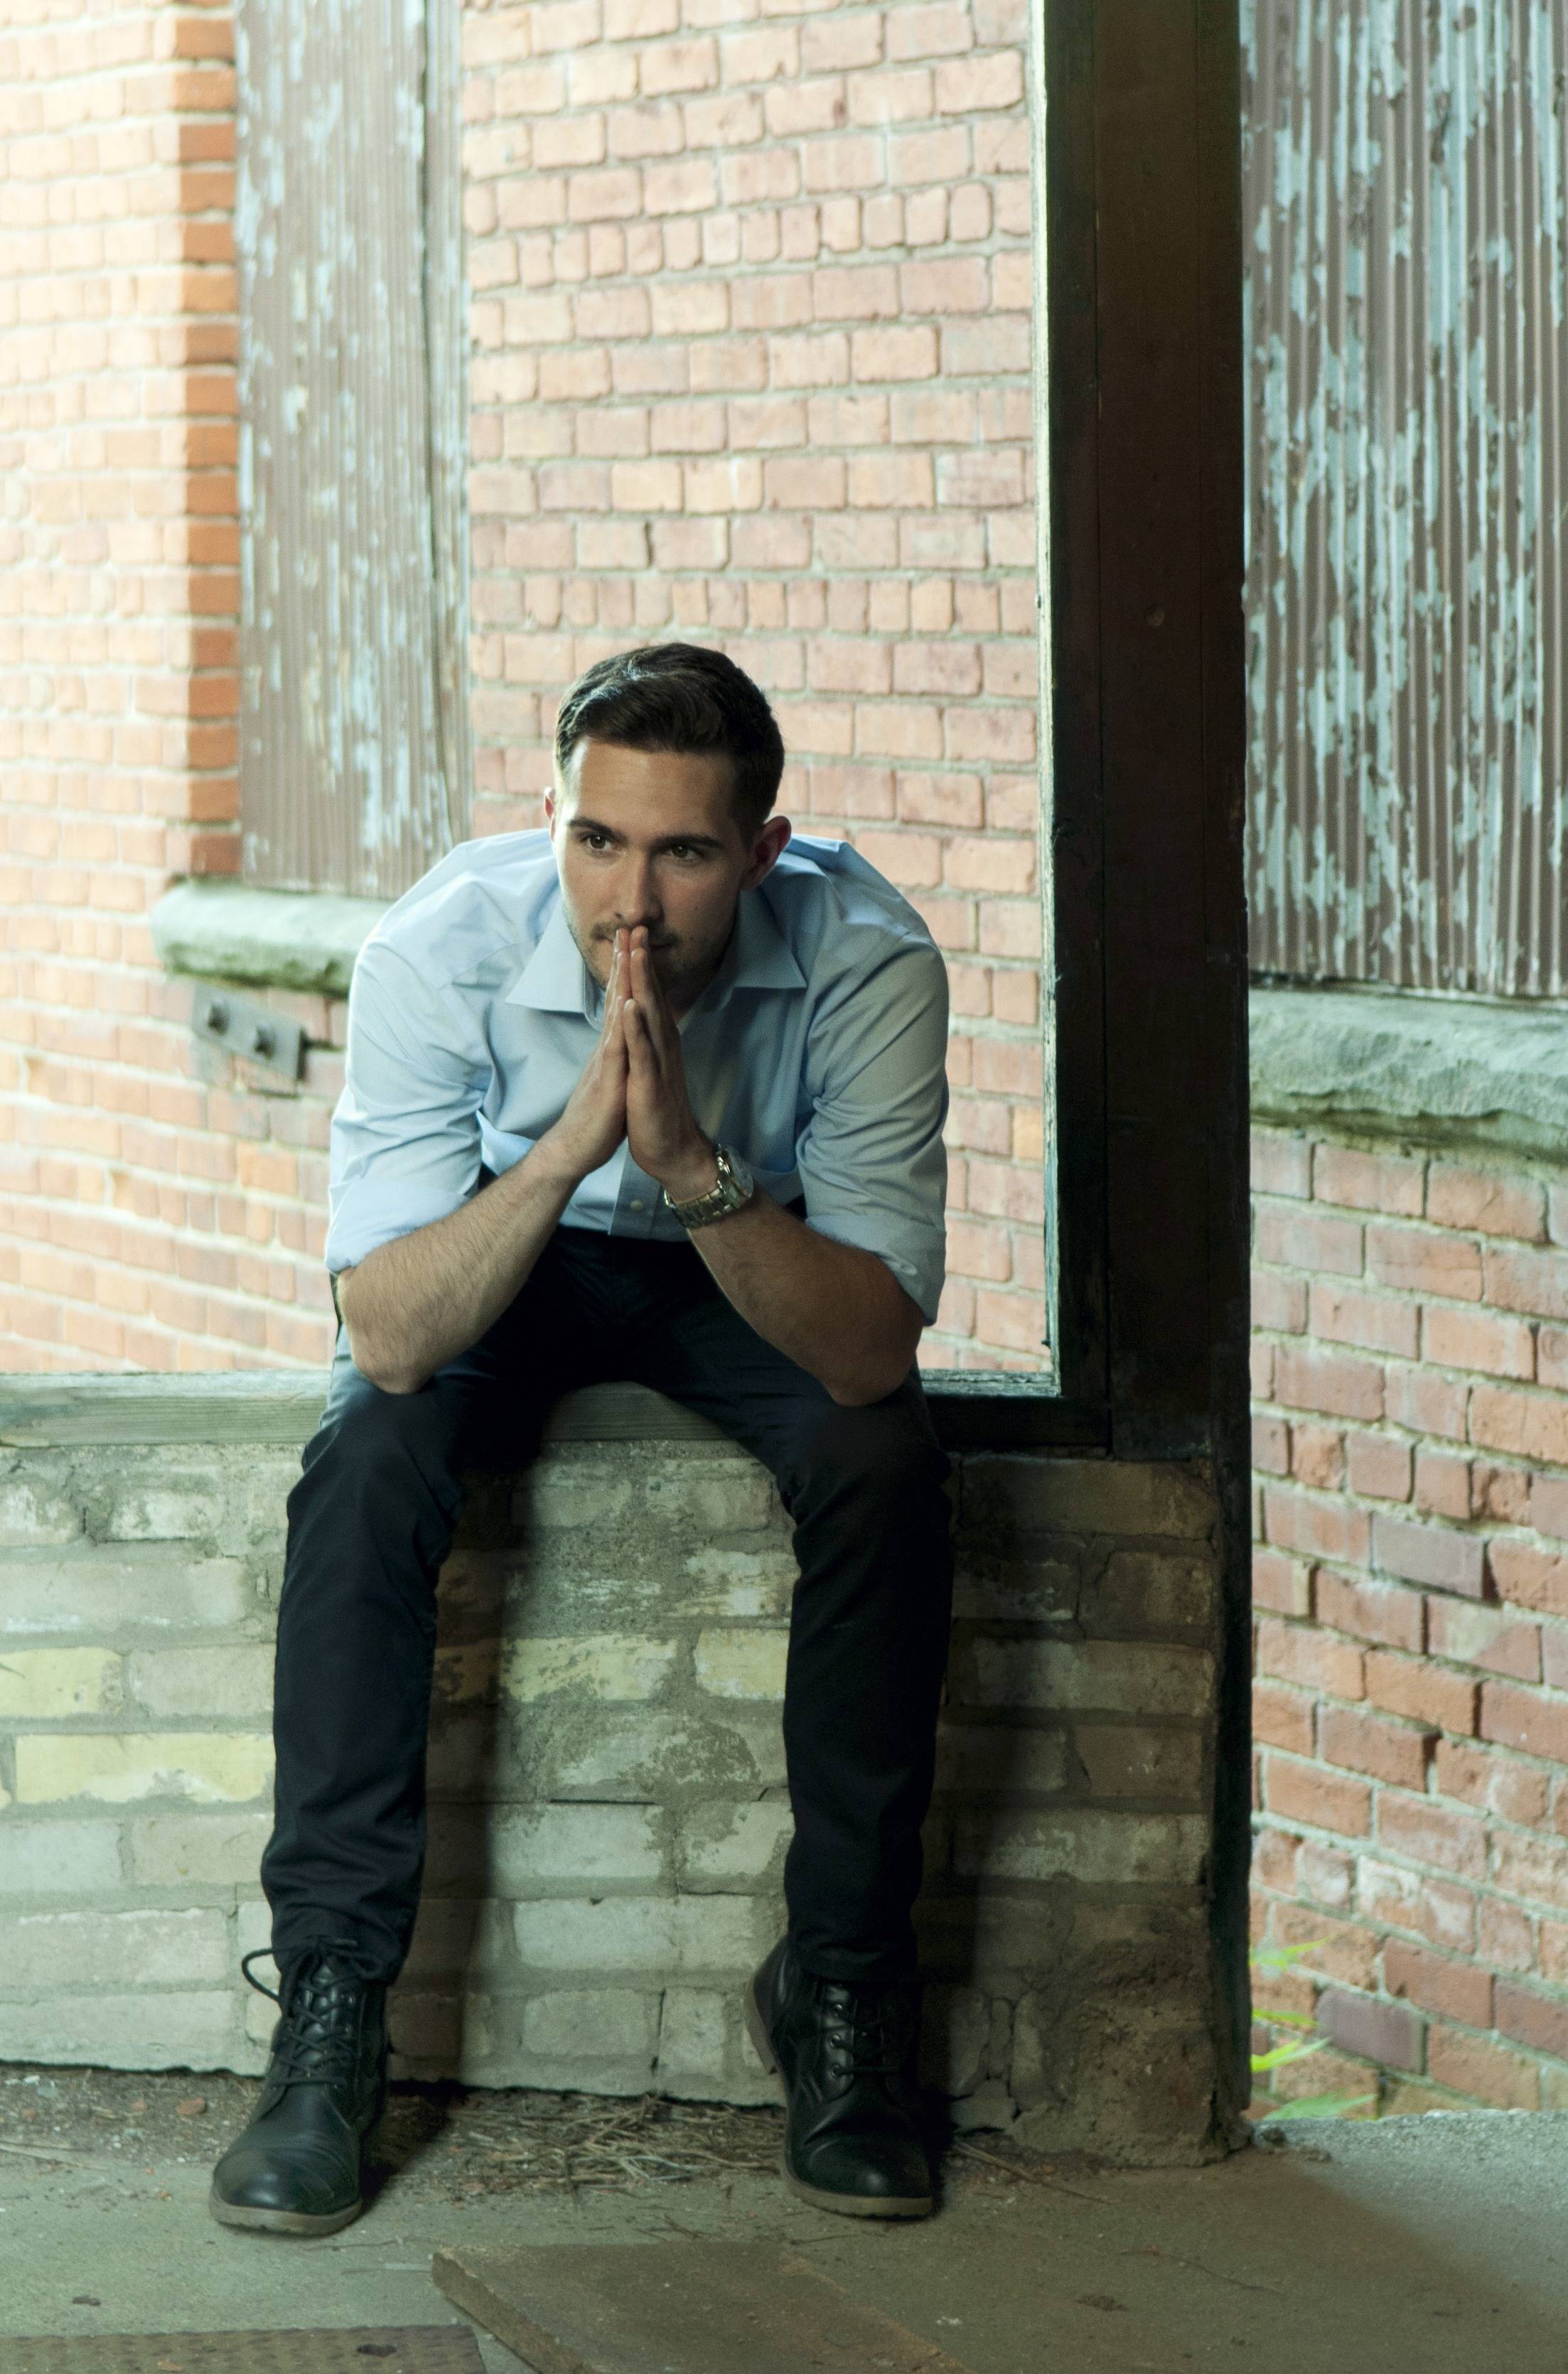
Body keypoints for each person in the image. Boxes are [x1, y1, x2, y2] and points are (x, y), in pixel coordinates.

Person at [209, 643, 955, 2237]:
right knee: (367, 1456)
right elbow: (393, 1330)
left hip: (738, 1249)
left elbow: (874, 1345)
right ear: (549, 820)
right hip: (516, 1246)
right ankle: (331, 2016)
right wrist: (570, 1144)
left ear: (759, 852)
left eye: (682, 851)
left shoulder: (867, 954)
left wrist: (683, 1157)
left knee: (884, 1461)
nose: (633, 899)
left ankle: (840, 1993)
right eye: (595, 839)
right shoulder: (437, 947)